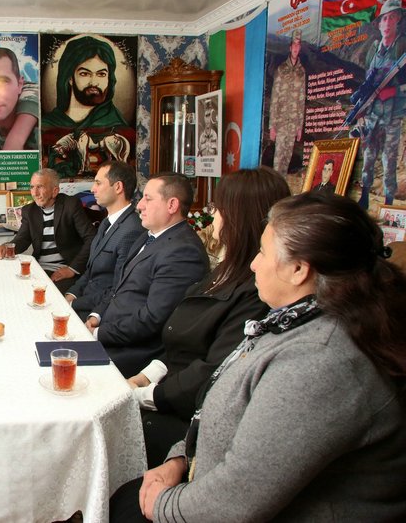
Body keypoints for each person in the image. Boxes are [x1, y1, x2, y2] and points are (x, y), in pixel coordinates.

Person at [110, 191, 406, 521]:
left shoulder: (320, 361)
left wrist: (163, 505)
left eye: (263, 252)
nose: (254, 263)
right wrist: (179, 459)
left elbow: (236, 500)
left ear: (298, 269)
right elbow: (225, 411)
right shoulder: (295, 322)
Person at [127, 167, 290, 468]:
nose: (212, 215)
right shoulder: (227, 270)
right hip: (165, 388)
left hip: (182, 416)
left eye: (218, 207)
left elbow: (213, 371)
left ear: (239, 216)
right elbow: (180, 340)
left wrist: (146, 395)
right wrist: (144, 377)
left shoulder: (258, 289)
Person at [85, 172, 208, 376]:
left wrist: (98, 333)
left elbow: (152, 319)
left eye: (148, 199)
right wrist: (97, 316)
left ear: (172, 205)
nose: (139, 205)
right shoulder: (147, 236)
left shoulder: (183, 252)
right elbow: (118, 288)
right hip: (108, 331)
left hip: (131, 353)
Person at [0, 168, 95, 293]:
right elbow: (22, 239)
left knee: (50, 296)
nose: (34, 193)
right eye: (32, 187)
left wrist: (72, 269)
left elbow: (92, 238)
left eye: (40, 187)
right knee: (11, 288)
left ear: (54, 191)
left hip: (65, 269)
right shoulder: (29, 210)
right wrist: (6, 247)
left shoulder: (70, 205)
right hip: (38, 269)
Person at [64, 161, 142, 320]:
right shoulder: (106, 222)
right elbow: (90, 271)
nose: (92, 189)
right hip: (85, 300)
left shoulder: (132, 230)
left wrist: (74, 305)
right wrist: (70, 295)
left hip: (99, 312)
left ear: (118, 187)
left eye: (98, 183)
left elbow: (119, 287)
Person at [358, 0, 406, 209]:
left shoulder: (401, 48)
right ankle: (364, 197)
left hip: (393, 114)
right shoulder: (374, 49)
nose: (388, 22)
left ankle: (388, 202)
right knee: (368, 157)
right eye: (384, 18)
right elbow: (367, 83)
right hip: (373, 115)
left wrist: (393, 91)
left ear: (398, 20)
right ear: (379, 24)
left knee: (389, 159)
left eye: (392, 17)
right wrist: (362, 107)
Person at [42, 35, 129, 129]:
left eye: (101, 74)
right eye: (84, 74)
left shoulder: (118, 129)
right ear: (70, 78)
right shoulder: (46, 126)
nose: (94, 82)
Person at [269, 29, 305, 176]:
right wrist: (272, 126)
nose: (296, 48)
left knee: (287, 159)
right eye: (294, 45)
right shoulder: (281, 69)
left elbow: (302, 100)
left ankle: (282, 186)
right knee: (278, 159)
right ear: (290, 48)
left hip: (293, 124)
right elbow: (274, 98)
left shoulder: (301, 72)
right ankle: (275, 185)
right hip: (281, 122)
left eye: (298, 45)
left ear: (300, 48)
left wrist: (299, 127)